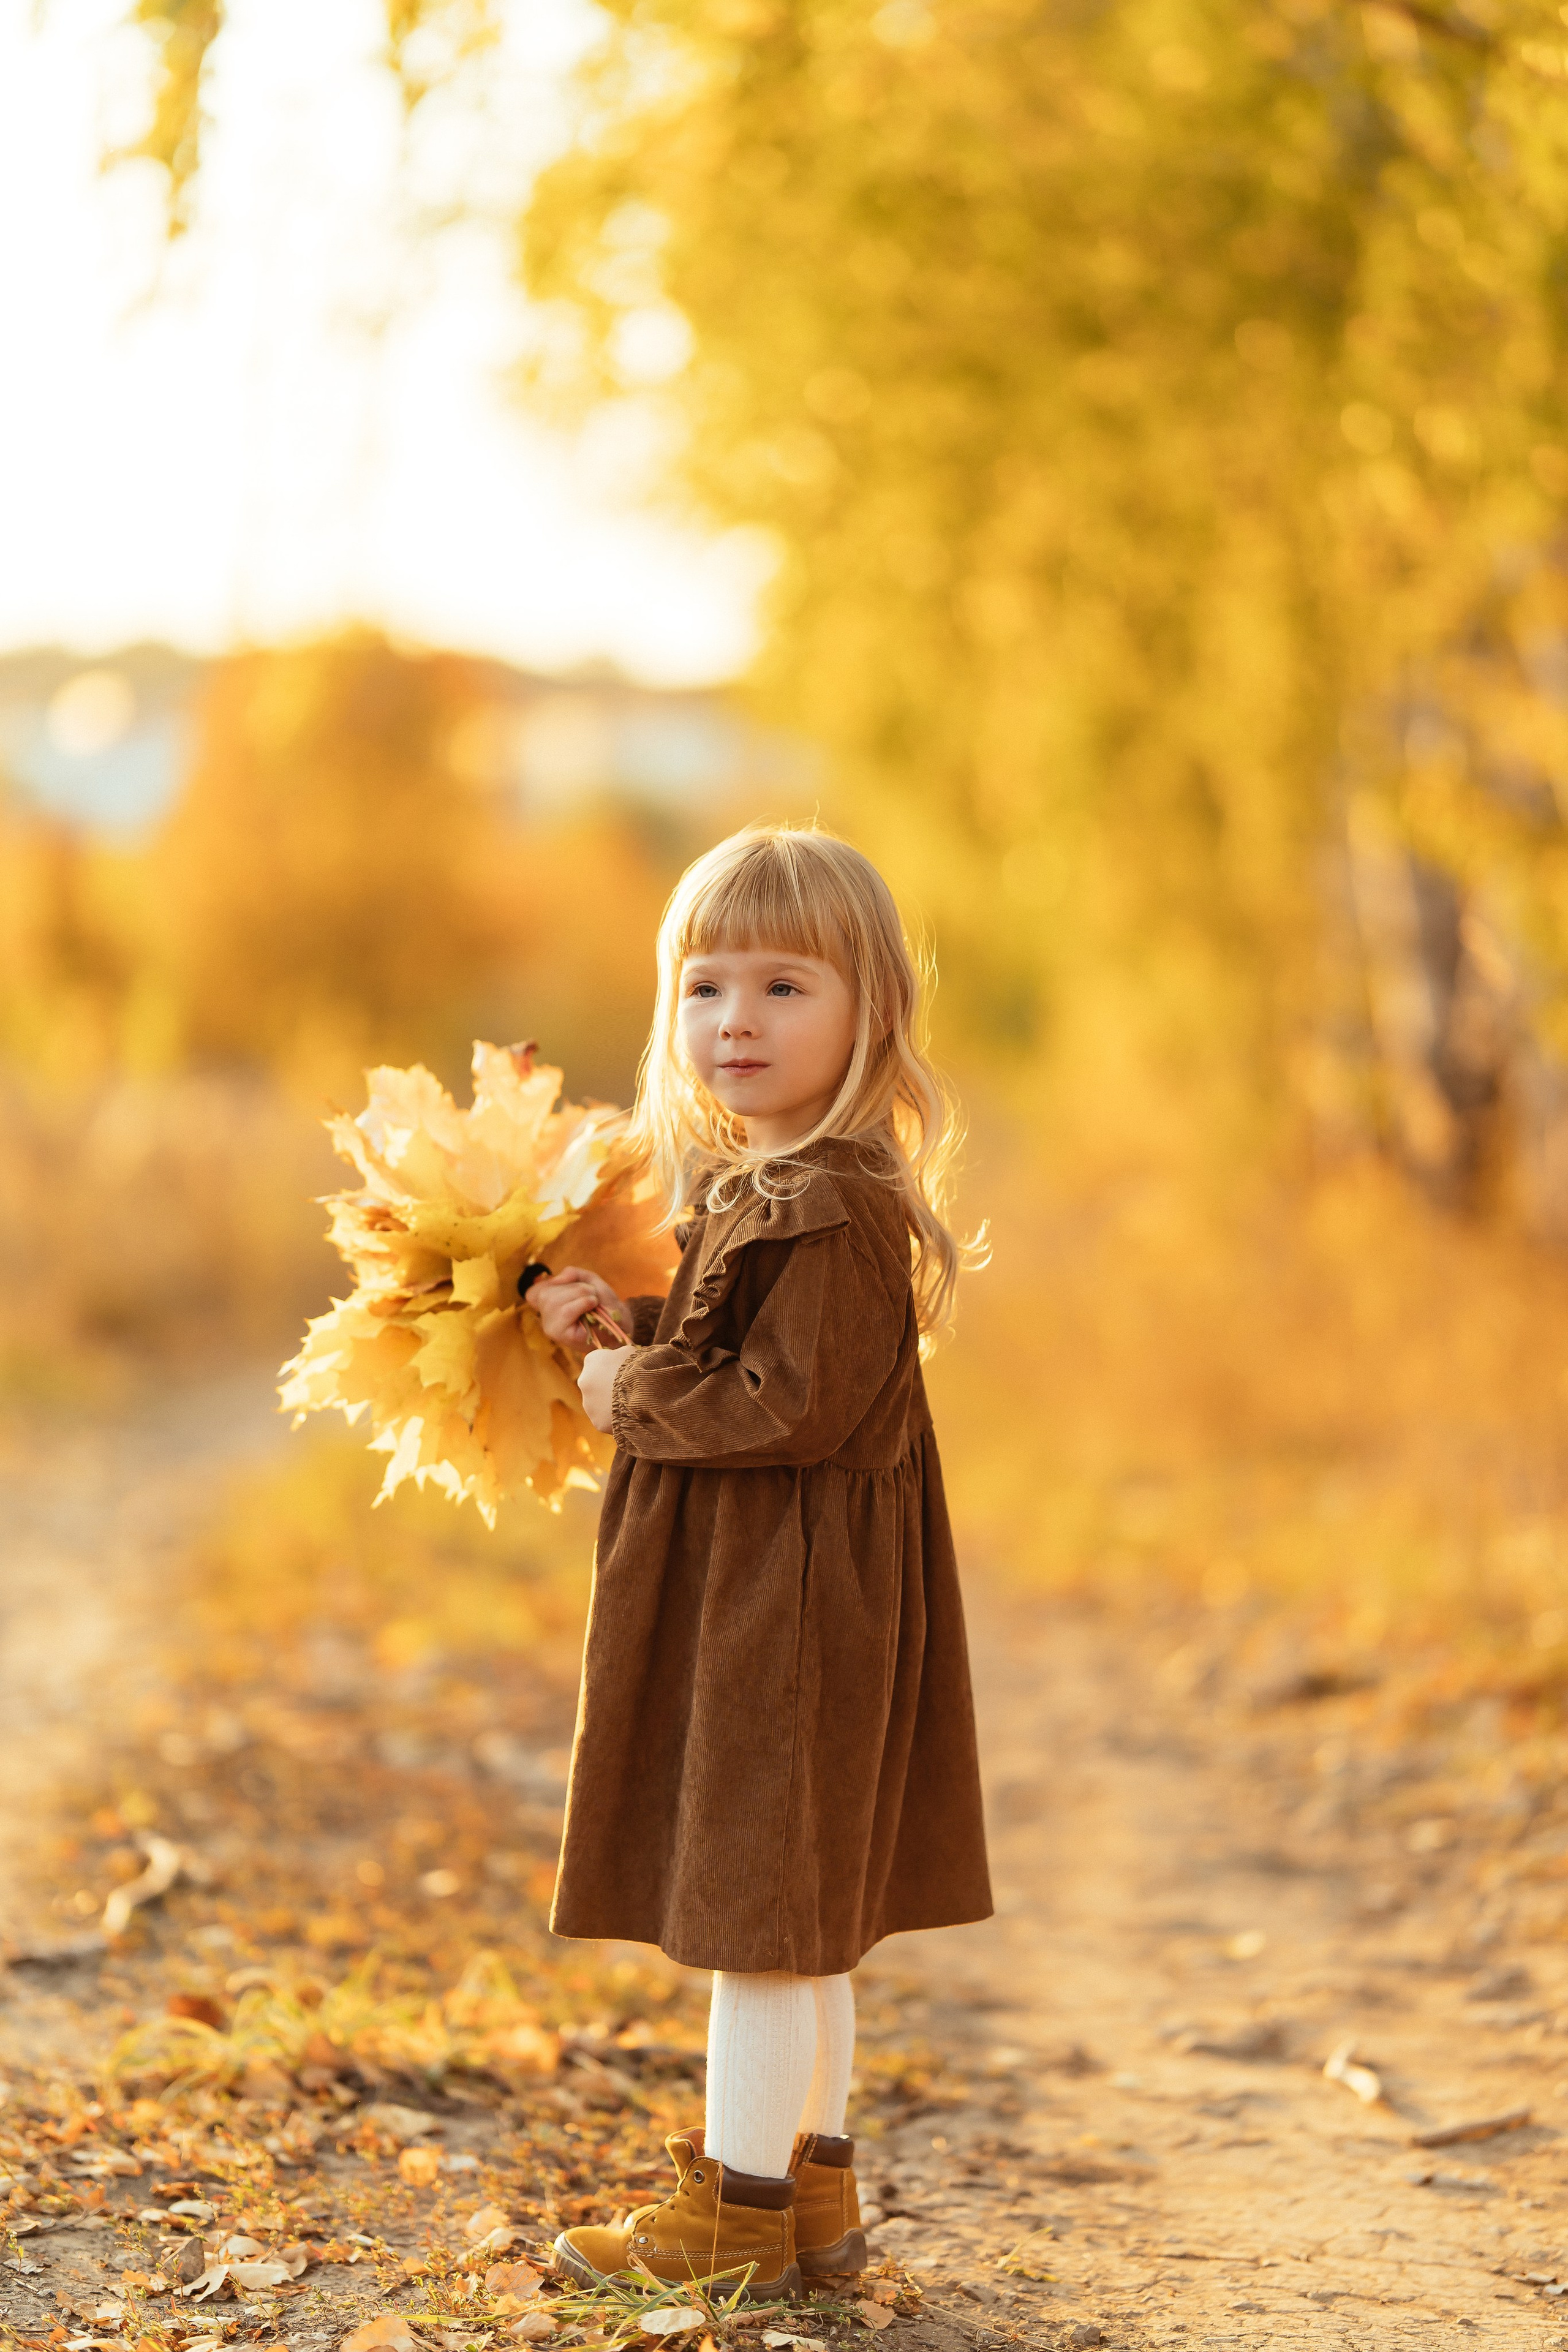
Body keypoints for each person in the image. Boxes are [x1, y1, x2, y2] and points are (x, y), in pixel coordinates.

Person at [525, 823, 992, 2301]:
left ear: (870, 1014)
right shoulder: (766, 1183)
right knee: (798, 1920)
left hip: (785, 1615)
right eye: (705, 986)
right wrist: (631, 1335)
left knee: (760, 1922)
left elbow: (785, 1409)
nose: (737, 1020)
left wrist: (623, 1399)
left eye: (785, 986)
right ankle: (811, 2208)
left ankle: (732, 2216)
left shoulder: (834, 1201)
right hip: (768, 1592)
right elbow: (743, 1366)